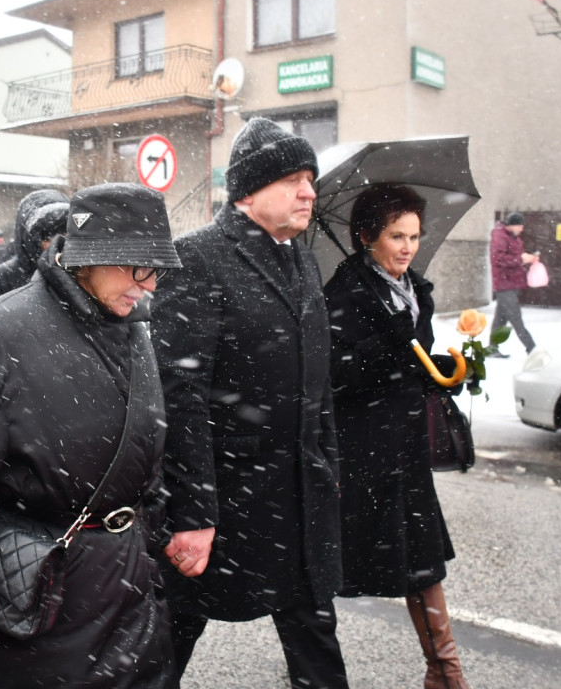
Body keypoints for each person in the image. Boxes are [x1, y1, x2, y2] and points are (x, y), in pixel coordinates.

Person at [0, 183, 180, 689]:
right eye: (136, 267)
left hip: (131, 599)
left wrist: (149, 558)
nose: (148, 284)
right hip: (37, 606)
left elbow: (145, 466)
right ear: (87, 257)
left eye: (156, 269)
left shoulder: (133, 330)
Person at [151, 117, 348, 689]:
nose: (310, 190)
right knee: (171, 638)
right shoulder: (196, 259)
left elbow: (319, 385)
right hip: (228, 499)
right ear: (248, 191)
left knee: (315, 636)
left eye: (310, 177)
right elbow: (178, 399)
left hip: (299, 497)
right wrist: (192, 515)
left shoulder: (302, 259)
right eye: (293, 178)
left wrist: (327, 469)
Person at [322, 184, 470, 689]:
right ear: (367, 237)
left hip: (404, 448)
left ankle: (444, 671)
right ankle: (311, 665)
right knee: (322, 568)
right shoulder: (343, 294)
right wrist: (384, 350)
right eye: (395, 236)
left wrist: (439, 370)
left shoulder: (414, 292)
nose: (408, 247)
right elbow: (332, 376)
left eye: (414, 236)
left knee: (422, 559)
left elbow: (414, 362)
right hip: (361, 451)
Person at [0, 188, 69, 310]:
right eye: (49, 237)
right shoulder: (3, 277)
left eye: (66, 234)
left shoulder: (81, 274)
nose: (59, 243)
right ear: (31, 240)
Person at [489, 211, 537, 356]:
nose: (522, 229)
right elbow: (499, 259)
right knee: (516, 318)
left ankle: (492, 349)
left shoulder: (512, 237)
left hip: (511, 284)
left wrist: (526, 258)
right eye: (520, 226)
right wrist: (522, 259)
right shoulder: (500, 237)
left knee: (500, 320)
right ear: (512, 225)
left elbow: (512, 257)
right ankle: (532, 349)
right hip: (505, 285)